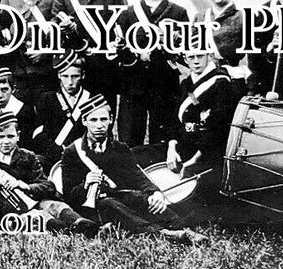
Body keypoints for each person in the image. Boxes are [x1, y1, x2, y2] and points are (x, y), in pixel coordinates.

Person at [54, 96, 206, 244]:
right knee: (109, 203)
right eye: (93, 120)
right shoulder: (72, 152)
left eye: (103, 119)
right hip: (92, 209)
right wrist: (85, 184)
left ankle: (183, 229)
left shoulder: (120, 148)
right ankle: (161, 234)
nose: (99, 125)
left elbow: (137, 176)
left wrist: (155, 193)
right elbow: (69, 196)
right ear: (84, 121)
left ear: (111, 119)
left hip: (119, 198)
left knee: (142, 198)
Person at [0, 111, 97, 233]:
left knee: (54, 206)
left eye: (10, 136)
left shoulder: (28, 156)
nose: (6, 142)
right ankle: (67, 231)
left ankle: (82, 223)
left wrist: (25, 186)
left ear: (18, 136)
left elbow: (48, 187)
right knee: (38, 216)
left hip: (35, 200)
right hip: (11, 210)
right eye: (0, 137)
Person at [115, 0, 188, 146]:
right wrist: (136, 55)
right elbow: (120, 51)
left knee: (162, 136)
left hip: (164, 84)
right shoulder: (128, 14)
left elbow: (184, 52)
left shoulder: (178, 13)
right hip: (134, 84)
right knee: (130, 136)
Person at [58, 0, 127, 112]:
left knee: (105, 115)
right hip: (76, 69)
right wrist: (66, 30)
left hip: (105, 69)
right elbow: (54, 30)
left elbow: (125, 27)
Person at [166, 49, 239, 208]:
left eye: (200, 56)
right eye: (191, 57)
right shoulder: (187, 83)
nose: (196, 61)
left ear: (209, 56)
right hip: (184, 146)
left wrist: (194, 160)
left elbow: (218, 129)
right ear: (185, 58)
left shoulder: (221, 83)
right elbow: (176, 119)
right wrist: (171, 147)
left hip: (207, 152)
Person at [0, 0, 67, 103]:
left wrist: (45, 51)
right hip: (18, 69)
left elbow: (61, 31)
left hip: (46, 69)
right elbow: (0, 26)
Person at [30, 52, 95, 167]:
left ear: (83, 75)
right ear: (59, 75)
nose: (70, 82)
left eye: (75, 76)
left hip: (83, 157)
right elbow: (38, 133)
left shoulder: (91, 99)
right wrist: (56, 151)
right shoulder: (47, 98)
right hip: (53, 156)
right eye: (65, 76)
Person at [194, 0, 248, 86]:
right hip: (206, 77)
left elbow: (252, 56)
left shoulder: (242, 16)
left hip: (234, 77)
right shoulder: (200, 17)